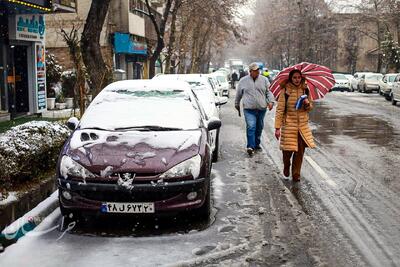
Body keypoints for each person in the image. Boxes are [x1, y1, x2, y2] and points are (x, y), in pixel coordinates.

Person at [274, 69, 316, 182]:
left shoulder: (305, 89)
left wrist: (307, 104)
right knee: (287, 151)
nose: (297, 80)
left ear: (301, 78)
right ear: (290, 78)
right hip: (289, 125)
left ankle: (296, 173)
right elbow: (280, 110)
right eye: (294, 77)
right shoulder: (285, 91)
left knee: (300, 151)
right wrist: (277, 128)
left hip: (302, 126)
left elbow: (310, 107)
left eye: (299, 77)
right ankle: (286, 165)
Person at [235, 62, 274, 156]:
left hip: (261, 108)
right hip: (249, 109)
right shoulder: (243, 81)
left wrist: (271, 101)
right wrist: (236, 103)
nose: (257, 72)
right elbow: (238, 94)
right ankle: (250, 147)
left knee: (259, 127)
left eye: (258, 70)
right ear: (250, 71)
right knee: (251, 126)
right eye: (255, 71)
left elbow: (268, 92)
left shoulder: (264, 80)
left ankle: (257, 144)